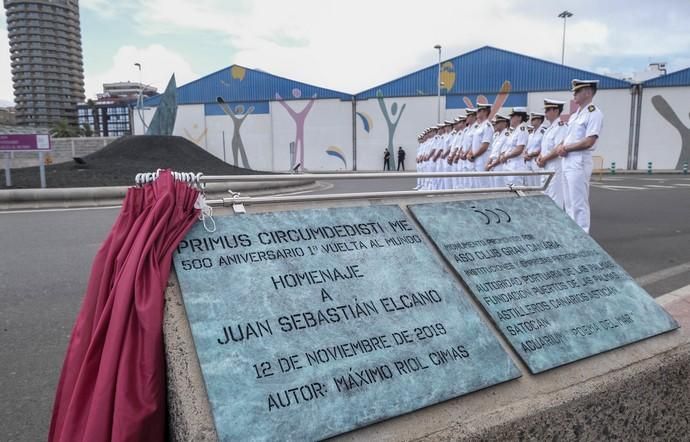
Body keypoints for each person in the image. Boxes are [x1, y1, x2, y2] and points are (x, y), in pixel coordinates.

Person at [556, 79, 604, 233]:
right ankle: (572, 234)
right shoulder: (575, 115)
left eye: (577, 91)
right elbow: (569, 137)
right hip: (567, 160)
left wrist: (566, 148)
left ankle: (583, 235)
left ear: (588, 92)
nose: (574, 94)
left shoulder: (594, 113)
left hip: (579, 161)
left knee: (579, 203)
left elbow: (589, 141)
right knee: (568, 202)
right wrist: (561, 146)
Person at [537, 99, 568, 208]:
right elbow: (544, 149)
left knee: (555, 201)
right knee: (545, 200)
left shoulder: (561, 127)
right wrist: (540, 158)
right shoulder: (549, 129)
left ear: (555, 110)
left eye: (547, 110)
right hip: (546, 168)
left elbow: (558, 148)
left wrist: (544, 159)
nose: (545, 113)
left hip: (555, 169)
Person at [500, 107, 529, 187]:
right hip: (509, 165)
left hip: (516, 165)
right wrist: (503, 155)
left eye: (513, 116)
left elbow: (519, 149)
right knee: (508, 192)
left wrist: (506, 156)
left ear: (519, 117)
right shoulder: (515, 131)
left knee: (516, 191)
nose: (510, 118)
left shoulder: (522, 130)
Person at [467, 104, 493, 188]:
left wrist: (473, 156)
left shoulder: (487, 126)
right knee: (476, 186)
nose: (477, 113)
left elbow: (485, 146)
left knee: (483, 186)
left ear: (485, 112)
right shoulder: (479, 126)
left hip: (483, 160)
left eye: (479, 110)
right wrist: (470, 153)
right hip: (476, 160)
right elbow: (474, 143)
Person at [485, 113, 510, 188]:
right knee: (493, 189)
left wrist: (491, 165)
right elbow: (493, 152)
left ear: (504, 123)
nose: (495, 125)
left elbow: (502, 154)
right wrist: (488, 164)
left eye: (497, 123)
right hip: (492, 165)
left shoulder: (507, 135)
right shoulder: (496, 135)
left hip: (500, 165)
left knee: (500, 189)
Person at [523, 112, 548, 187]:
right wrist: (525, 155)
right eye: (532, 119)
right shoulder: (531, 134)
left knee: (537, 184)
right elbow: (527, 148)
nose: (531, 121)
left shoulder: (543, 132)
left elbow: (544, 147)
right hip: (528, 161)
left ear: (540, 120)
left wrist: (533, 154)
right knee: (529, 185)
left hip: (536, 160)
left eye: (534, 119)